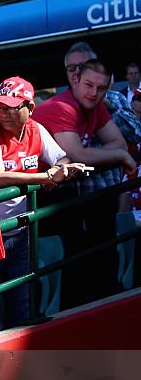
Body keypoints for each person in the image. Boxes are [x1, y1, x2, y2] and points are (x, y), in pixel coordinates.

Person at [0, 77, 85, 340]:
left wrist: (59, 168)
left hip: (20, 228)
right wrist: (45, 178)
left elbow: (61, 156)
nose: (3, 113)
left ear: (30, 107)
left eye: (11, 107)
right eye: (0, 107)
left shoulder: (36, 130)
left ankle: (18, 354)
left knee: (21, 298)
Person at [32, 57, 136, 308]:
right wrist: (120, 156)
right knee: (67, 270)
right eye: (89, 85)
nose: (94, 93)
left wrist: (116, 152)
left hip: (71, 196)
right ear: (76, 81)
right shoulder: (62, 106)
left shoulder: (95, 106)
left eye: (101, 88)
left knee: (98, 258)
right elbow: (79, 154)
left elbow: (119, 142)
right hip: (44, 198)